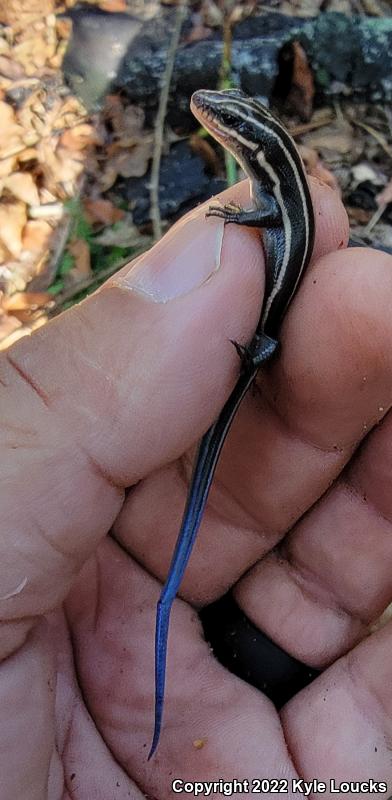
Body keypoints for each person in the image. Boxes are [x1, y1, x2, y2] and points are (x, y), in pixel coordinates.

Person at [1, 178, 392, 798]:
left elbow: (266, 217)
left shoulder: (274, 194)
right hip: (258, 345)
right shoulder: (276, 188)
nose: (205, 114)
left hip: (263, 346)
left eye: (221, 116)